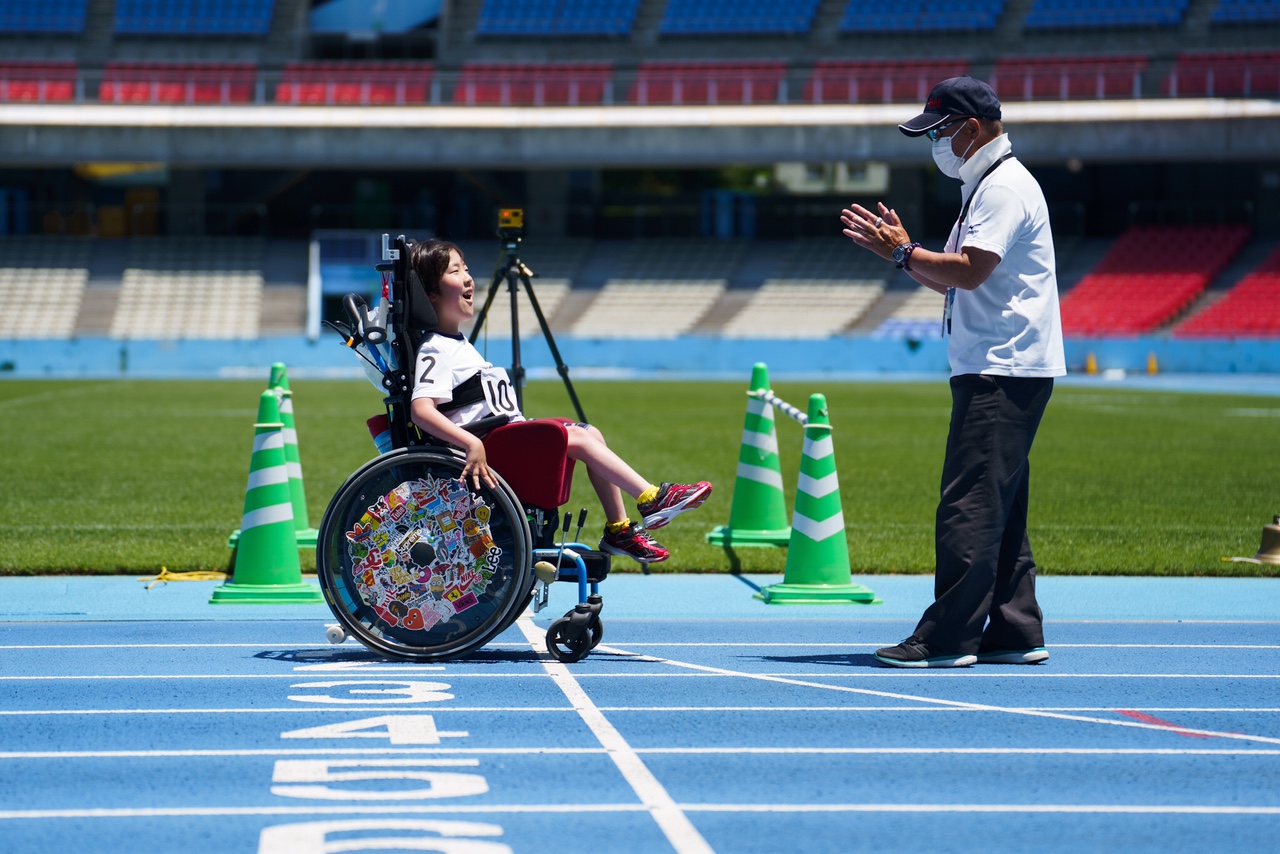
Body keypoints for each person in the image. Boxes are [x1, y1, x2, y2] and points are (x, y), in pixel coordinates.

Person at [839, 76, 1065, 668]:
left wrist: (902, 252)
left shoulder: (1003, 188)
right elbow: (952, 273)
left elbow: (968, 271)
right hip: (1001, 364)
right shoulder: (987, 184)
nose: (935, 142)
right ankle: (1015, 629)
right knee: (1000, 504)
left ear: (972, 127)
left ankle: (948, 638)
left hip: (1001, 367)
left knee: (967, 503)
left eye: (939, 130)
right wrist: (900, 254)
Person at [407, 238, 712, 565]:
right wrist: (471, 444)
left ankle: (619, 529)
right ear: (431, 295)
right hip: (488, 450)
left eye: (466, 269)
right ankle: (652, 498)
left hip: (503, 442)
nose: (468, 277)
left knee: (589, 433)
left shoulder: (457, 343)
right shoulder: (435, 348)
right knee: (575, 436)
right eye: (455, 271)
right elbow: (421, 410)